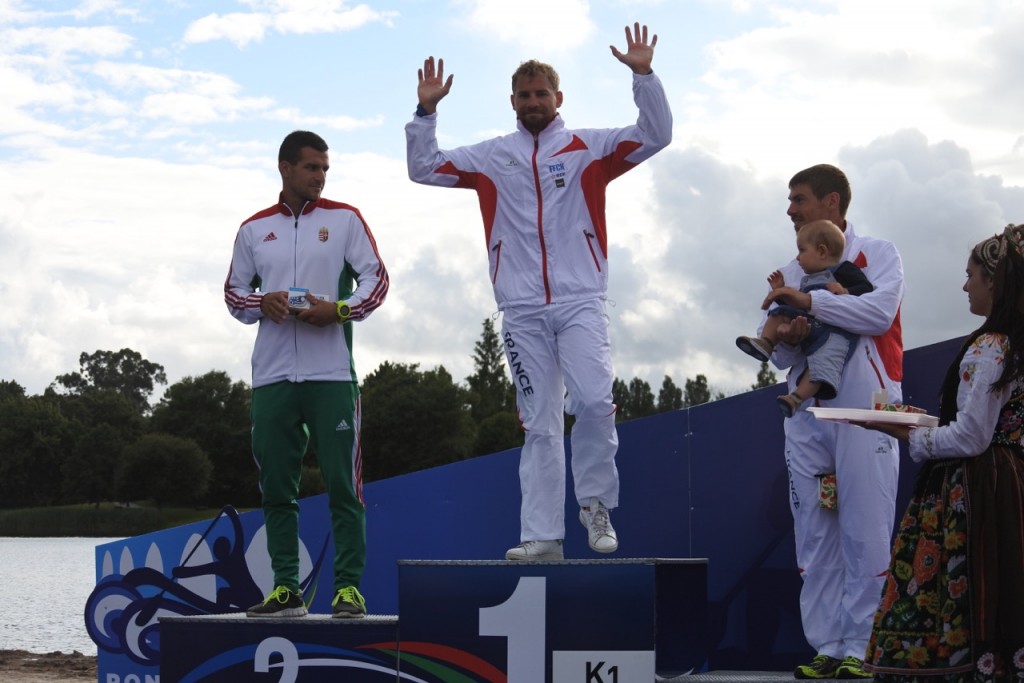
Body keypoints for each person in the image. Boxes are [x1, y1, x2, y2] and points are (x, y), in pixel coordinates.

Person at [405, 23, 672, 561]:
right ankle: (543, 535)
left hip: (580, 299)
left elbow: (656, 134)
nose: (532, 102)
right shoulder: (492, 156)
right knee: (539, 424)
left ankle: (596, 507)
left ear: (558, 98)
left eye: (541, 93)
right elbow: (423, 168)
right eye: (524, 95)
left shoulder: (589, 147)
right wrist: (425, 113)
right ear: (512, 101)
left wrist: (644, 76)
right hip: (521, 307)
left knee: (593, 402)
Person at [224, 130, 389, 618]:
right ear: (286, 168)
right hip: (272, 378)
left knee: (344, 487)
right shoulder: (253, 228)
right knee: (277, 490)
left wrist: (339, 309)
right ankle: (285, 590)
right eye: (312, 167)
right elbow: (234, 293)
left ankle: (348, 590)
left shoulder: (345, 219)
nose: (320, 177)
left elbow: (377, 280)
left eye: (325, 169)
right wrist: (263, 302)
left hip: (332, 375)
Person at [860, 224, 1024, 682]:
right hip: (1011, 485)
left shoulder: (992, 346)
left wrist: (908, 434)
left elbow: (973, 438)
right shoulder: (1015, 344)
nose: (965, 285)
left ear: (995, 280)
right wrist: (927, 423)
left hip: (977, 494)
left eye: (971, 275)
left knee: (958, 597)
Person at [760, 164, 905, 679]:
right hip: (807, 416)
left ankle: (863, 648)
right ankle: (827, 645)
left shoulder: (878, 254)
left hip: (867, 411)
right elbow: (776, 355)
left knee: (865, 529)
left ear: (832, 203)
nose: (790, 209)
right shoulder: (792, 267)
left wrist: (809, 301)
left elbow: (877, 315)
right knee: (816, 535)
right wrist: (790, 335)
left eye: (798, 198)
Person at [737, 219, 874, 417]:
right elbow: (799, 305)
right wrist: (781, 291)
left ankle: (796, 398)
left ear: (822, 251)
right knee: (780, 313)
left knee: (822, 363)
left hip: (834, 333)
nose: (797, 257)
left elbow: (866, 289)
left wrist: (846, 291)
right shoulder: (807, 280)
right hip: (810, 323)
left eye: (802, 250)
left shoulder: (845, 270)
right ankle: (766, 343)